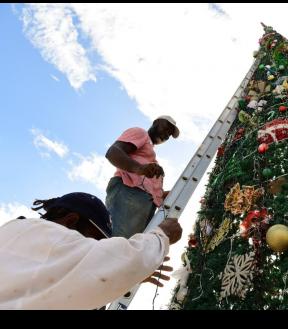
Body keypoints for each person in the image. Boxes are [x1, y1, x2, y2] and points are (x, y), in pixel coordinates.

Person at [0, 192, 182, 310]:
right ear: (71, 221)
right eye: (95, 239)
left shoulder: (20, 239)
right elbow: (114, 260)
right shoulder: (39, 231)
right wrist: (161, 236)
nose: (93, 246)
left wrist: (122, 277)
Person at [105, 115, 180, 238]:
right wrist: (139, 168)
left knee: (130, 248)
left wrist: (166, 194)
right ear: (156, 122)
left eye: (170, 134)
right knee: (120, 243)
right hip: (130, 193)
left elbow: (148, 185)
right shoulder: (140, 133)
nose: (167, 135)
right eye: (167, 128)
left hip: (145, 205)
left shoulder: (150, 154)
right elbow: (113, 153)